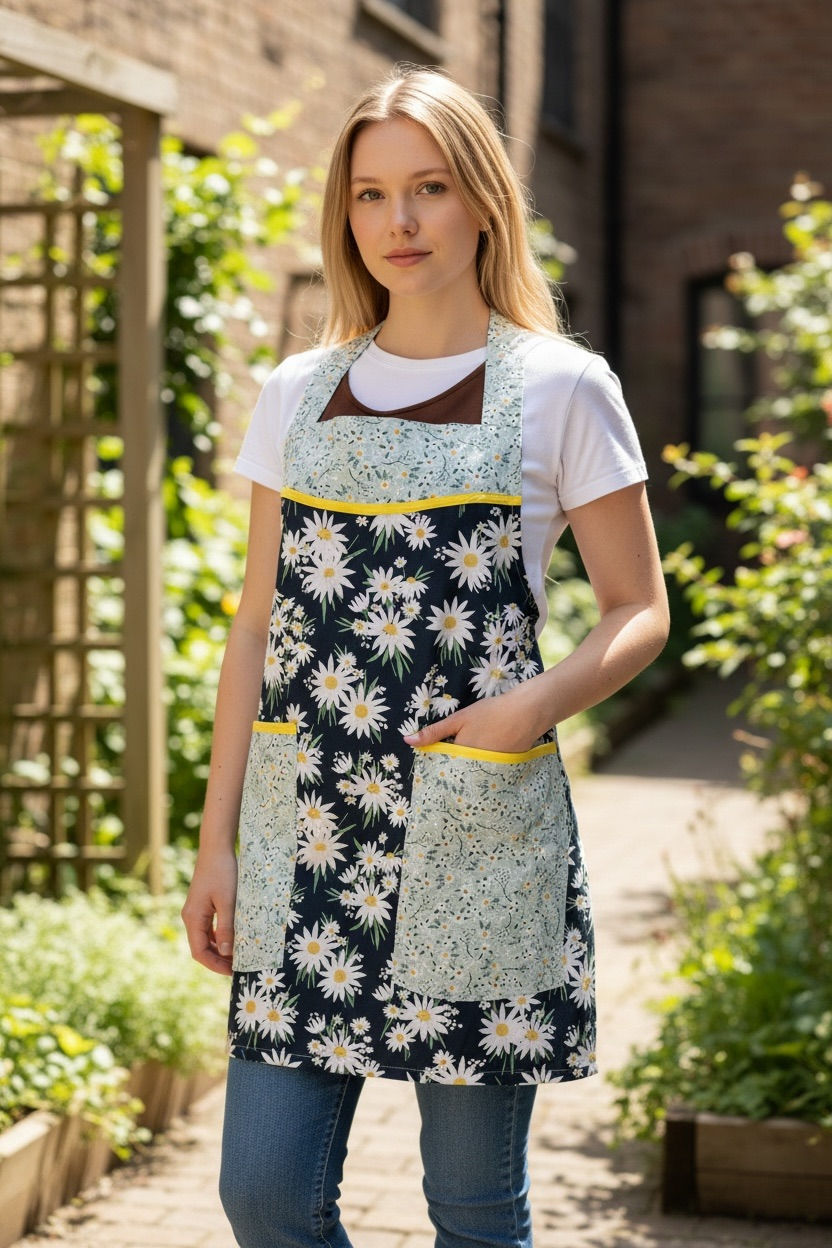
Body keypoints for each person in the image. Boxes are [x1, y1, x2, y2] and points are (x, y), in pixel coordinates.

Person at [181, 65, 669, 1248]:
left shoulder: (561, 387)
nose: (398, 221)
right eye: (370, 194)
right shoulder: (295, 392)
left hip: (477, 829)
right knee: (263, 1194)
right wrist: (214, 841)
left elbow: (636, 609)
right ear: (345, 213)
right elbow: (255, 624)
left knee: (471, 1210)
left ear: (484, 200)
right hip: (305, 843)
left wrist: (526, 709)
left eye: (429, 188)